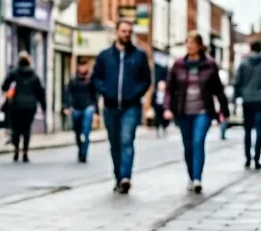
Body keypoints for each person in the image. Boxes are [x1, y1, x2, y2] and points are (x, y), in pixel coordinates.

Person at [90, 19, 152, 194]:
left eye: (129, 31)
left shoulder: (139, 55)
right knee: (114, 143)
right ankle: (118, 176)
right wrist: (105, 91)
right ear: (116, 32)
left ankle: (126, 177)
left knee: (126, 139)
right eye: (123, 31)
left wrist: (135, 93)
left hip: (131, 106)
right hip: (110, 106)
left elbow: (146, 80)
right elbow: (96, 78)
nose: (126, 34)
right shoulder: (105, 56)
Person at [166, 33, 230, 194]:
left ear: (200, 45)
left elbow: (218, 90)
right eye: (187, 43)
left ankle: (197, 179)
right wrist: (167, 108)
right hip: (183, 112)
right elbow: (170, 89)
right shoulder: (178, 64)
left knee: (198, 142)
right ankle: (191, 175)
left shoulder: (210, 65)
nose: (189, 46)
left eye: (193, 43)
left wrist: (224, 110)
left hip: (203, 111)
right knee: (188, 146)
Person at [233, 40, 261, 170]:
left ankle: (247, 158)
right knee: (260, 130)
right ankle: (257, 158)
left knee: (247, 130)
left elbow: (237, 82)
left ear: (251, 48)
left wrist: (237, 97)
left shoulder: (244, 63)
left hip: (247, 100)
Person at [2, 52, 47, 163]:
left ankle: (16, 150)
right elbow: (40, 92)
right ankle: (25, 153)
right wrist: (43, 105)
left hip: (16, 105)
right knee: (26, 130)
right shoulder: (34, 76)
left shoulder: (14, 74)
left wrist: (10, 92)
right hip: (30, 106)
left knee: (16, 129)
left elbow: (4, 86)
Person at [62, 63, 98, 162]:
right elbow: (67, 93)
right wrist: (67, 106)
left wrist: (96, 112)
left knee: (86, 132)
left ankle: (84, 153)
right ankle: (80, 148)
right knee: (77, 131)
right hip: (76, 108)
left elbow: (95, 96)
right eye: (81, 66)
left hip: (88, 108)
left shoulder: (90, 81)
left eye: (84, 66)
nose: (83, 68)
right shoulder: (73, 81)